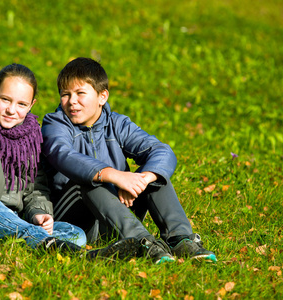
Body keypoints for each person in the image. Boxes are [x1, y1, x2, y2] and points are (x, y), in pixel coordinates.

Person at [0, 63, 140, 259]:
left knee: (75, 234)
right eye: (5, 99)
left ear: (32, 105)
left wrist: (38, 213)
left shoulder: (31, 136)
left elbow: (35, 186)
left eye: (21, 104)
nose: (11, 110)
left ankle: (41, 239)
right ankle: (82, 256)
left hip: (15, 215)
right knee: (10, 220)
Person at [41, 57, 217, 264]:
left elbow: (162, 151)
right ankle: (142, 243)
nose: (72, 101)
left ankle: (179, 239)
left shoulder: (117, 124)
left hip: (117, 215)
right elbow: (62, 154)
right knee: (90, 180)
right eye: (65, 94)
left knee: (155, 175)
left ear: (102, 96)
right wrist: (114, 176)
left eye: (80, 93)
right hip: (77, 218)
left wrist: (142, 179)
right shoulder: (54, 124)